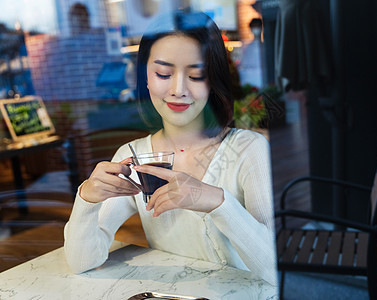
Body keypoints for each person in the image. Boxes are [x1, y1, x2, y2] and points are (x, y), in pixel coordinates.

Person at [64, 10, 277, 286]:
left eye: (197, 75)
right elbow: (82, 262)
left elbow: (277, 270)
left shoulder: (249, 149)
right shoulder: (134, 156)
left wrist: (216, 201)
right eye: (164, 73)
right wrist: (87, 200)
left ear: (213, 80)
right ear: (146, 78)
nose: (178, 89)